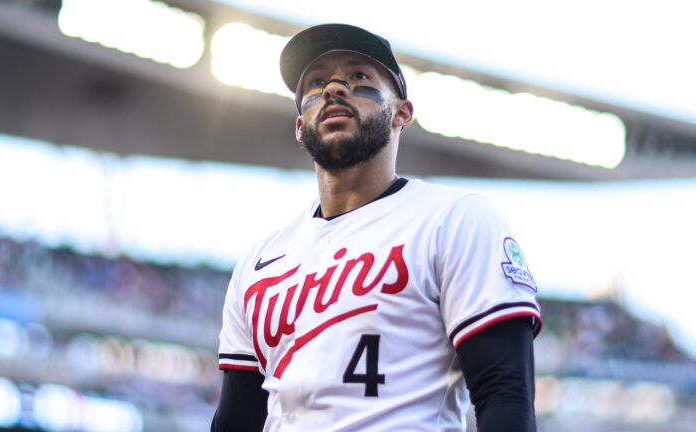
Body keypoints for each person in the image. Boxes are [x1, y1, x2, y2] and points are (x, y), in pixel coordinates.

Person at [211, 23, 542, 432]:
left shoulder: (454, 219)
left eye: (359, 77)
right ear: (301, 127)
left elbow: (504, 396)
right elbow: (236, 419)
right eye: (316, 83)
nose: (334, 88)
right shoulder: (259, 261)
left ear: (402, 112)